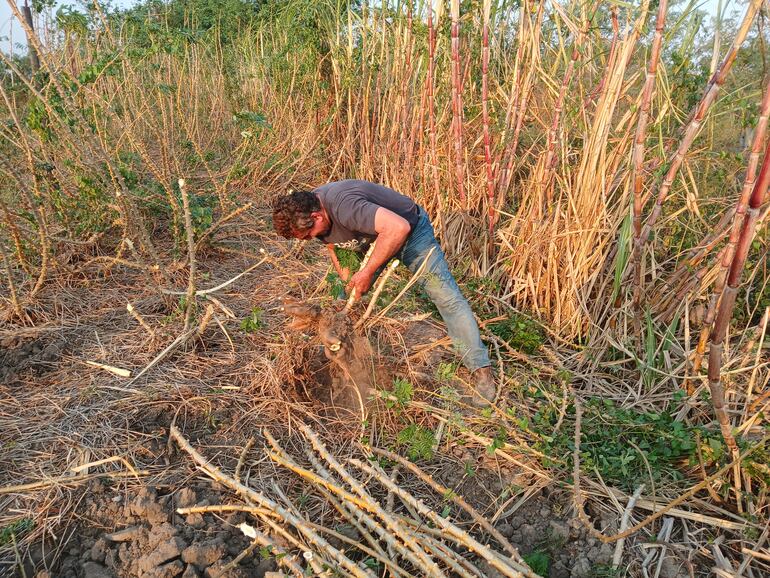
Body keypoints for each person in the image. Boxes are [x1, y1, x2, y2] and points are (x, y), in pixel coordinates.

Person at [271, 179, 496, 406]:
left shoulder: (343, 206)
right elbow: (333, 246)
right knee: (343, 303)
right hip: (370, 240)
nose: (312, 239)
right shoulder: (310, 212)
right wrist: (350, 280)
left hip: (411, 234)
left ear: (318, 216)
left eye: (310, 235)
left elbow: (398, 228)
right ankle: (349, 362)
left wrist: (367, 272)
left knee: (447, 299)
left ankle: (481, 369)